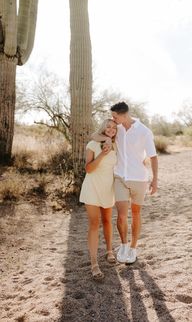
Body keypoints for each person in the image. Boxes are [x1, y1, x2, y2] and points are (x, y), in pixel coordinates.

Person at [92, 102, 158, 264]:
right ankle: (123, 245)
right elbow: (94, 136)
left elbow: (153, 156)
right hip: (120, 177)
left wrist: (155, 179)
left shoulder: (144, 132)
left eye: (115, 116)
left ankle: (133, 248)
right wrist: (107, 138)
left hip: (139, 179)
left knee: (135, 214)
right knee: (121, 215)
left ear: (124, 115)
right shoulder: (117, 129)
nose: (113, 120)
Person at [79, 118, 117, 280]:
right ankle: (94, 263)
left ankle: (109, 251)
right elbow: (88, 169)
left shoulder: (117, 144)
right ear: (103, 128)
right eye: (108, 126)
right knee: (94, 223)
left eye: (114, 127)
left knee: (108, 221)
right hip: (92, 187)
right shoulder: (92, 145)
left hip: (108, 188)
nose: (111, 129)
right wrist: (102, 153)